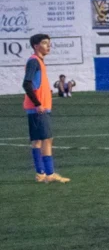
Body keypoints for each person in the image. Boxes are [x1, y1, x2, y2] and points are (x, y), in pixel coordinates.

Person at [23, 33, 69, 183]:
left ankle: (41, 174)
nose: (48, 46)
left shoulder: (38, 61)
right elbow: (26, 84)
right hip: (38, 108)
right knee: (47, 139)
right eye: (44, 43)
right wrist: (38, 103)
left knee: (38, 141)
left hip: (39, 107)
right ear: (36, 46)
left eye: (49, 43)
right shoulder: (34, 61)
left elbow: (35, 84)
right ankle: (49, 174)